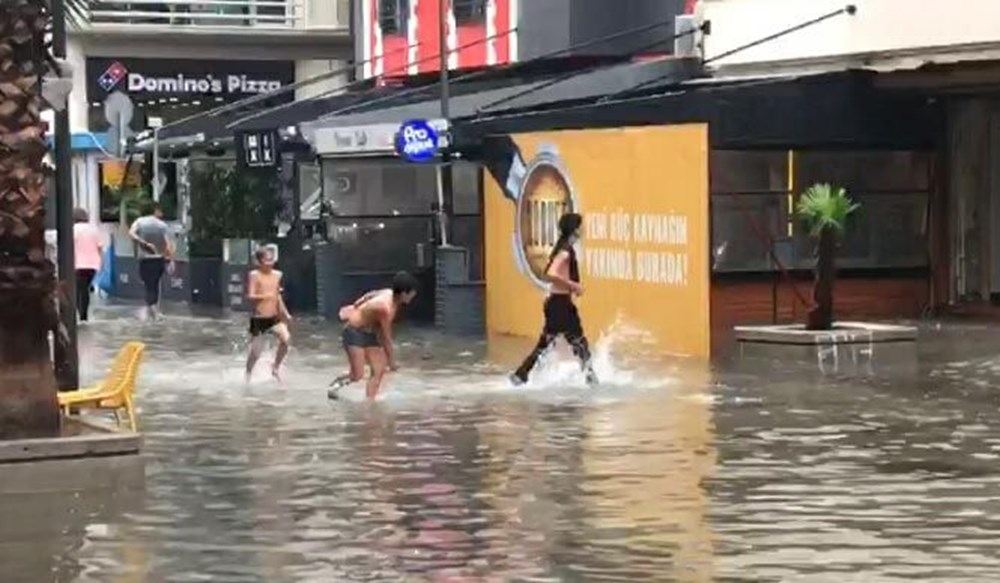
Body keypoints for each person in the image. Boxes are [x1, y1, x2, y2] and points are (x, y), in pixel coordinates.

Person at [510, 212, 598, 386]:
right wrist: (573, 286)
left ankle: (521, 375)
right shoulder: (565, 252)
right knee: (578, 342)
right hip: (561, 304)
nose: (583, 230)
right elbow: (550, 273)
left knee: (552, 342)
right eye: (580, 227)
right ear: (574, 229)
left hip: (558, 303)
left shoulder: (563, 248)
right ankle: (590, 378)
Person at [328, 271, 419, 401]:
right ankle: (335, 385)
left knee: (379, 370)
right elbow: (386, 337)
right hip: (354, 331)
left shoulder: (388, 293)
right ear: (404, 293)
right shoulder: (384, 308)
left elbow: (370, 294)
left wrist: (356, 305)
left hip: (370, 333)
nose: (413, 297)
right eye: (412, 294)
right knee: (357, 374)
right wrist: (392, 362)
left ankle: (370, 401)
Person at [245, 247, 292, 382]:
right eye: (267, 260)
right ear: (259, 262)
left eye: (272, 259)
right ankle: (248, 374)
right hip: (259, 318)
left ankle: (275, 367)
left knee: (286, 340)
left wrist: (286, 314)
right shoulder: (254, 275)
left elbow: (278, 297)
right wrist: (265, 295)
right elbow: (250, 296)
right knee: (256, 352)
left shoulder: (278, 275)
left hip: (275, 317)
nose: (270, 263)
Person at [129, 203, 174, 320]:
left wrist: (143, 243)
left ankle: (153, 310)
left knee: (148, 285)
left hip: (145, 259)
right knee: (155, 284)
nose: (162, 214)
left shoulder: (139, 222)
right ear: (155, 210)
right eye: (160, 211)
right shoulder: (162, 225)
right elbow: (168, 244)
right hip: (159, 259)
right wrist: (170, 259)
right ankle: (154, 310)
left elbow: (131, 233)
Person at [73, 208, 103, 322]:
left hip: (77, 264)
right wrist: (101, 263)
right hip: (92, 265)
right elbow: (100, 248)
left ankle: (79, 314)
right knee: (84, 289)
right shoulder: (94, 229)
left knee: (77, 289)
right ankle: (83, 315)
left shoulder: (73, 229)